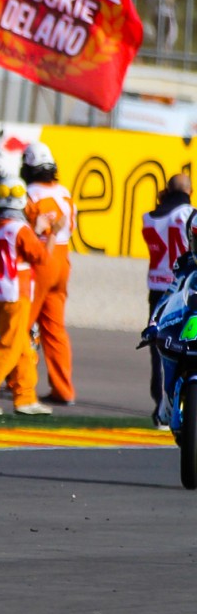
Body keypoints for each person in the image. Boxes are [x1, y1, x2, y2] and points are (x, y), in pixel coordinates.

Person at [0, 176, 62, 416]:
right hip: (14, 293)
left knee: (21, 347)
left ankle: (25, 397)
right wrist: (50, 233)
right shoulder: (21, 228)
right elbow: (41, 258)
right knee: (11, 346)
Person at [21, 141, 77, 406]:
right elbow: (72, 227)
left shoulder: (28, 194)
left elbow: (24, 230)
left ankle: (20, 382)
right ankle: (63, 389)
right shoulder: (65, 193)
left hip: (40, 260)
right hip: (62, 261)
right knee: (55, 329)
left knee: (20, 325)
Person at [142, 174, 194, 427]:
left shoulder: (149, 217)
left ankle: (161, 405)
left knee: (160, 346)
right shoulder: (188, 214)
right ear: (189, 191)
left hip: (156, 285)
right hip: (183, 284)